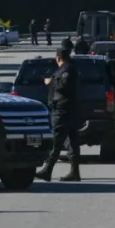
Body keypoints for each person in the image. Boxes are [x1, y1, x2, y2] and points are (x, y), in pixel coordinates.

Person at [36, 47, 81, 182]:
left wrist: (51, 82)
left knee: (57, 141)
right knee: (72, 142)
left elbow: (64, 86)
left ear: (58, 58)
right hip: (67, 110)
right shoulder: (67, 69)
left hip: (63, 111)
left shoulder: (67, 70)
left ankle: (47, 170)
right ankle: (74, 172)